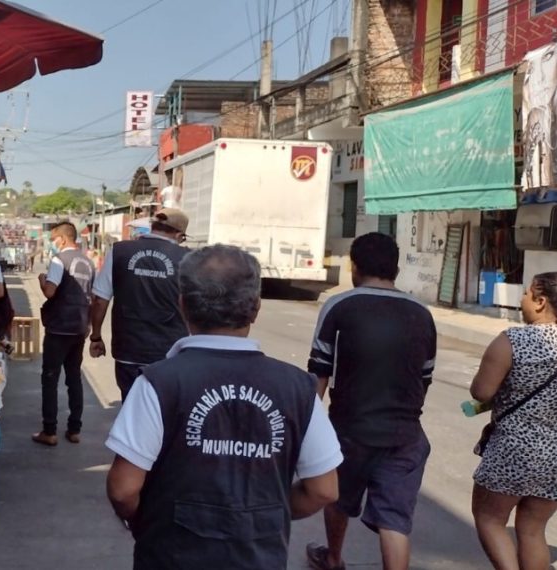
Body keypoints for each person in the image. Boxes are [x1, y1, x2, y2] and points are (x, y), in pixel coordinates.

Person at [105, 245, 342, 569]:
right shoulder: (298, 387)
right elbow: (324, 490)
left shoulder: (157, 382)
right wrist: (260, 513)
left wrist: (153, 520)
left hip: (170, 554)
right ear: (256, 309)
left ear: (182, 305)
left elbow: (123, 489)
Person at [306, 232, 437, 570]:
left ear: (355, 266)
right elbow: (424, 379)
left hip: (351, 428)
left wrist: (305, 425)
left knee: (338, 498)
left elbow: (319, 370)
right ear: (395, 268)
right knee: (393, 520)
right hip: (406, 434)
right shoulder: (422, 313)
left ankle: (333, 559)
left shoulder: (340, 304)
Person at [468, 272, 557, 570]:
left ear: (540, 301)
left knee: (490, 519)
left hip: (514, 451)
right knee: (533, 530)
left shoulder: (513, 340)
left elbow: (481, 391)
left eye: (526, 293)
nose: (522, 299)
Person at [89, 208, 190, 399]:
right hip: (169, 351)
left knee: (131, 405)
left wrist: (96, 336)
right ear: (179, 235)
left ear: (151, 227)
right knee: (165, 411)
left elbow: (100, 300)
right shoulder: (187, 258)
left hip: (128, 349)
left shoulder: (119, 251)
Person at [32, 222, 95, 446]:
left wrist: (41, 279)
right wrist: (90, 326)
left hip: (59, 326)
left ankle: (49, 431)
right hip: (79, 327)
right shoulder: (88, 262)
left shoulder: (59, 260)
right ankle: (74, 429)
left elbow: (50, 292)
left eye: (54, 238)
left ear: (63, 239)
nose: (52, 242)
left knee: (50, 378)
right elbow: (93, 298)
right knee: (74, 377)